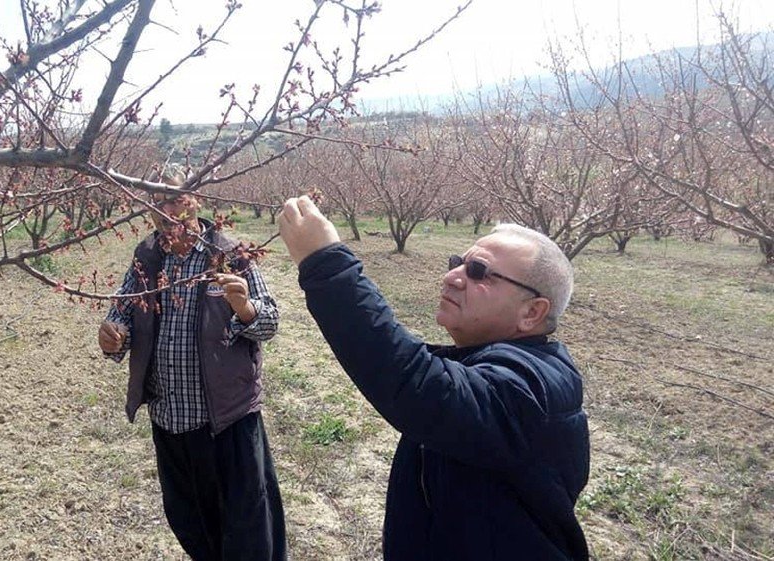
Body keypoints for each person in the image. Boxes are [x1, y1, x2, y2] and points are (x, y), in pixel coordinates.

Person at [277, 196, 590, 560]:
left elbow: (419, 386)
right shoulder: (491, 364)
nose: (452, 276)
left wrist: (325, 265)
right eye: (457, 263)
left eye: (478, 271)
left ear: (531, 312)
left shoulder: (532, 389)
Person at [98, 167, 285, 561]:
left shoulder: (228, 254)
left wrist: (245, 308)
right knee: (189, 520)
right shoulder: (147, 257)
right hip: (171, 421)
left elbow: (270, 322)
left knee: (248, 526)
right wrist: (113, 334)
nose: (168, 211)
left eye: (176, 199)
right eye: (157, 201)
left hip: (227, 420)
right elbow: (123, 313)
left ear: (195, 200)